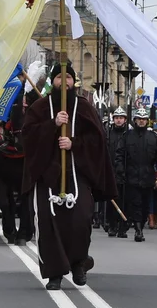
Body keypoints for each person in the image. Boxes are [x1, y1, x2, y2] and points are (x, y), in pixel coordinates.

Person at [22, 61, 117, 290]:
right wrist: (52, 126)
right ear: (52, 82)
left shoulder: (84, 107)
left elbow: (97, 141)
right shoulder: (40, 108)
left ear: (74, 82)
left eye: (68, 78)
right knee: (48, 224)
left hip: (77, 174)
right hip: (47, 177)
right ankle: (54, 274)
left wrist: (73, 143)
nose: (64, 82)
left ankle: (78, 264)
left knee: (81, 219)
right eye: (59, 78)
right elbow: (27, 138)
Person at [114, 107, 157, 242]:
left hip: (148, 176)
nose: (141, 122)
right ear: (135, 120)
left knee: (145, 205)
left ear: (147, 121)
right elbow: (119, 154)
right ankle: (138, 230)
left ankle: (141, 225)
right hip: (131, 175)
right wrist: (120, 169)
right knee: (135, 203)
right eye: (139, 119)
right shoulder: (127, 136)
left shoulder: (154, 137)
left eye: (143, 119)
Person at [104, 107, 128, 236]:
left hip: (124, 171)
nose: (118, 120)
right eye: (116, 118)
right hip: (111, 170)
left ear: (124, 120)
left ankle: (122, 226)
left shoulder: (128, 134)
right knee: (111, 199)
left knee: (124, 199)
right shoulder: (108, 133)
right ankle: (111, 224)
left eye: (121, 118)